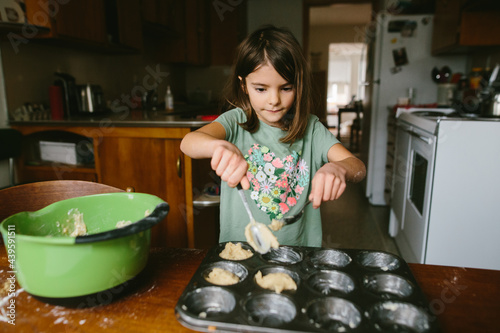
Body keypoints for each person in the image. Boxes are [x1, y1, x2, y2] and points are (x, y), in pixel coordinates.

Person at [180, 25, 366, 247]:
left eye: (286, 88)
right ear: (244, 85)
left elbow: (358, 167)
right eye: (261, 89)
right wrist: (218, 147)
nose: (274, 100)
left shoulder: (312, 129)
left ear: (298, 85)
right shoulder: (234, 121)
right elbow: (188, 142)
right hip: (241, 250)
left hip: (298, 251)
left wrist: (339, 168)